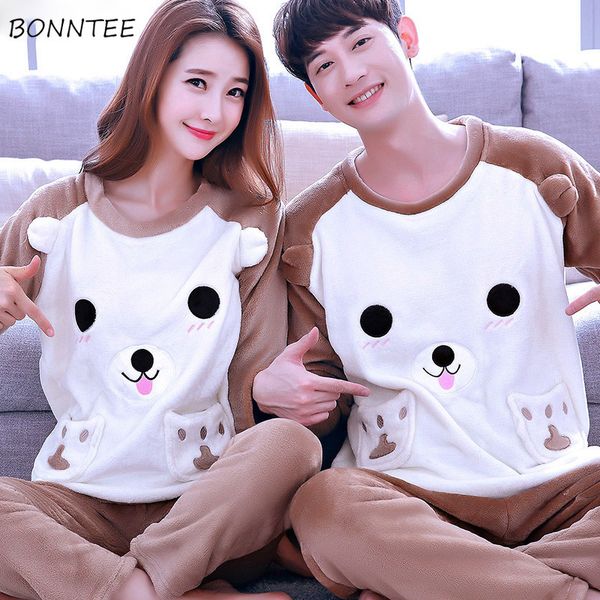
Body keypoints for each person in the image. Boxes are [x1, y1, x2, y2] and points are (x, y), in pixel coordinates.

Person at [252, 0, 600, 598]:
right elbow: (321, 389)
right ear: (315, 95)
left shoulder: (535, 166)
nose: (351, 72)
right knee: (324, 507)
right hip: (407, 496)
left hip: (560, 484)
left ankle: (438, 583)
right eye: (324, 65)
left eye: (360, 42)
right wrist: (281, 396)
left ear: (406, 38)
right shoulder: (308, 231)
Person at [0, 1, 322, 599]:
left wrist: (270, 392)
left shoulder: (251, 220)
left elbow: (252, 378)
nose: (214, 111)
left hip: (202, 512)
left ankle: (118, 589)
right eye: (197, 82)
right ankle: (157, 593)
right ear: (152, 78)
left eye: (235, 92)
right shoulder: (55, 212)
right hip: (80, 508)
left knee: (290, 446)